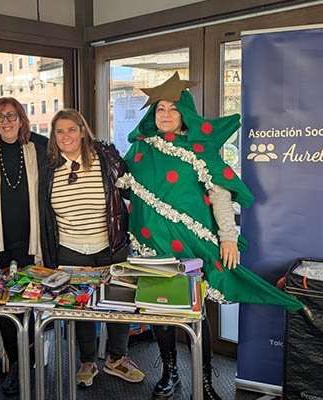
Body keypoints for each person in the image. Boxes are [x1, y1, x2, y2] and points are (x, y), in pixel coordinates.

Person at [120, 72, 303, 399]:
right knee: (160, 312)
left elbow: (220, 196)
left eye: (173, 109)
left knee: (195, 313)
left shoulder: (202, 151)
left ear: (184, 114)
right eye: (160, 109)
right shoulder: (138, 152)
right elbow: (123, 190)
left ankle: (202, 380)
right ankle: (170, 372)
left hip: (194, 248)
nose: (165, 115)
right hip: (154, 248)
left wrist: (228, 237)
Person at [42, 109, 144, 388]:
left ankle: (117, 359)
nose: (66, 136)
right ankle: (87, 361)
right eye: (59, 131)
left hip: (110, 245)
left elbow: (132, 191)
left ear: (83, 130)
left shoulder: (105, 160)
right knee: (82, 309)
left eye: (71, 130)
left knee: (119, 304)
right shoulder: (48, 166)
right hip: (69, 249)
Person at [0, 97, 48, 395]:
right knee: (5, 306)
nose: (6, 122)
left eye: (12, 116)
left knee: (32, 301)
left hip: (34, 241)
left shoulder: (40, 148)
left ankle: (32, 357)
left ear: (21, 118)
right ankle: (17, 363)